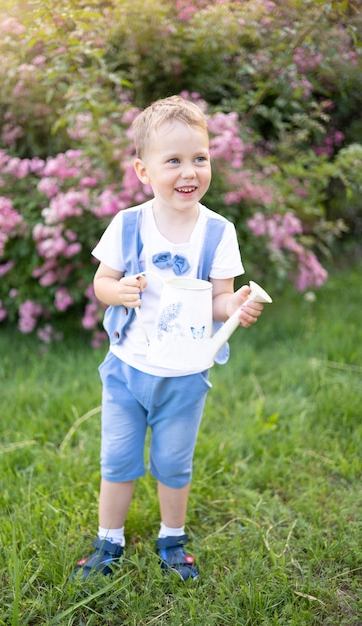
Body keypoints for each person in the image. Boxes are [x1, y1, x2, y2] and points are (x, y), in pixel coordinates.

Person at [73, 95, 265, 582]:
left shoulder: (218, 232)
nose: (189, 171)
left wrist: (237, 304)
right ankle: (108, 539)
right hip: (128, 369)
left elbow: (219, 299)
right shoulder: (129, 224)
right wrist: (119, 290)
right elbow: (100, 285)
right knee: (116, 459)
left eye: (199, 158)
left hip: (184, 373)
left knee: (174, 463)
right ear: (143, 170)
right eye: (174, 160)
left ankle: (172, 537)